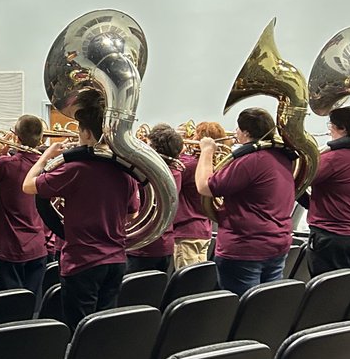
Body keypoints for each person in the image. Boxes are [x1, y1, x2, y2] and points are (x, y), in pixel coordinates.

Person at [23, 104, 139, 328]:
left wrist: (46, 156)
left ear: (86, 132)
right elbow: (132, 214)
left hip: (83, 261)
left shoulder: (76, 168)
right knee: (103, 329)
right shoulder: (125, 169)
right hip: (116, 259)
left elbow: (28, 186)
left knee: (80, 330)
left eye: (79, 130)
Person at [196, 107, 296, 295]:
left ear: (246, 133)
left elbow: (205, 187)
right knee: (264, 308)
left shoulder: (251, 159)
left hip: (245, 247)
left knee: (241, 310)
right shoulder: (283, 157)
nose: (235, 133)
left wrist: (207, 151)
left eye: (238, 129)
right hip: (277, 244)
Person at [0, 114, 49, 302]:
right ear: (41, 138)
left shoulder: (4, 164)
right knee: (32, 307)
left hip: (8, 248)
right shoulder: (47, 166)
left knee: (8, 308)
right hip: (37, 247)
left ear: (16, 137)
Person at [303, 105, 350, 274]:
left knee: (325, 292)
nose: (329, 130)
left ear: (342, 128)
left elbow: (299, 179)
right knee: (347, 289)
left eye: (331, 125)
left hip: (331, 236)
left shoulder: (333, 158)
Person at [127, 123, 184, 274]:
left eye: (149, 144)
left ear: (155, 149)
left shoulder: (145, 175)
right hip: (164, 244)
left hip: (141, 244)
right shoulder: (176, 172)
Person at [173, 121, 226, 270]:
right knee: (196, 279)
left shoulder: (190, 165)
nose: (192, 137)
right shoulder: (214, 165)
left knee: (186, 283)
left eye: (197, 134)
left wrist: (177, 149)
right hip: (203, 229)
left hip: (186, 231)